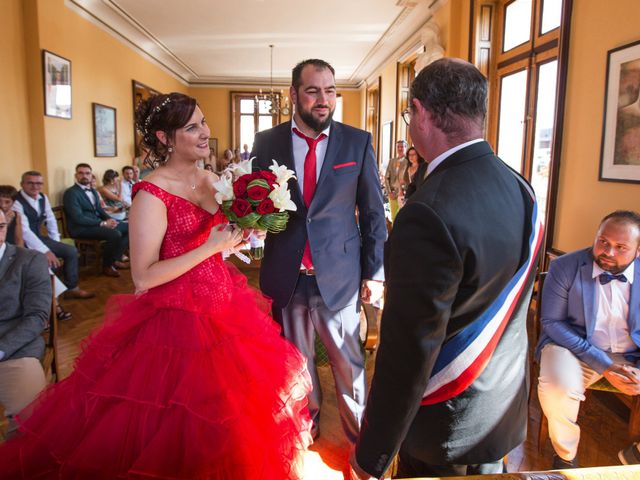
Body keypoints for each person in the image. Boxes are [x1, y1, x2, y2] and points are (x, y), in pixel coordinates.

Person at [0, 92, 312, 479]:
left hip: (226, 310)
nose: (205, 133)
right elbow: (144, 276)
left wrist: (241, 237)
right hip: (175, 322)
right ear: (164, 138)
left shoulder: (214, 179)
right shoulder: (150, 193)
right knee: (173, 430)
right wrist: (212, 246)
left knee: (232, 425)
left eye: (203, 122)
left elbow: (218, 243)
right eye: (192, 127)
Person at [350, 58, 542, 479]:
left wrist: (373, 454)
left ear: (419, 112)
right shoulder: (521, 188)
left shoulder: (428, 212)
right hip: (501, 410)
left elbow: (407, 351)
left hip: (444, 422)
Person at [252, 59, 386, 444]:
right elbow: (260, 208)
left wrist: (374, 272)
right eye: (313, 91)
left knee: (350, 367)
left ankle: (361, 441)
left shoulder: (357, 142)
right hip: (286, 278)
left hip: (340, 278)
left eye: (330, 91)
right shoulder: (267, 142)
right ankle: (305, 427)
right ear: (293, 94)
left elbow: (374, 212)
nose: (323, 100)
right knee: (296, 366)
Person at [535, 210, 640, 469]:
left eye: (621, 247)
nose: (608, 252)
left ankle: (636, 453)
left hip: (632, 353)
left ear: (638, 251)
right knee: (557, 388)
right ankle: (565, 456)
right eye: (603, 241)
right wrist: (603, 364)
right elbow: (551, 322)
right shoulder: (565, 266)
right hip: (575, 346)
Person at [0, 209, 51, 440]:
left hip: (13, 349)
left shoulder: (29, 260)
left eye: (0, 227)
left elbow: (37, 317)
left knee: (31, 417)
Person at [12, 172, 94, 299]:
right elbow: (25, 231)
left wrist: (55, 242)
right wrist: (46, 251)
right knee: (44, 260)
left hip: (39, 237)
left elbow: (51, 220)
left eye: (38, 183)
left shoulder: (43, 197)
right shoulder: (16, 201)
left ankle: (71, 288)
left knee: (71, 251)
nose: (35, 186)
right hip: (21, 242)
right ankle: (50, 296)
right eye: (30, 183)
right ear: (22, 184)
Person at [62, 163, 129, 278]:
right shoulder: (71, 193)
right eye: (81, 173)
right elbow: (78, 218)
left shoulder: (93, 191)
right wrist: (102, 223)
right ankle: (107, 266)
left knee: (129, 227)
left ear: (91, 175)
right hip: (80, 228)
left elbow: (100, 210)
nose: (84, 176)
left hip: (95, 224)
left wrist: (111, 220)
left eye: (87, 173)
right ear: (76, 175)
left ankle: (115, 260)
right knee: (115, 234)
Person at [384, 140, 407, 221]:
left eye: (402, 146)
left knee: (403, 218)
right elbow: (386, 177)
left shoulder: (408, 161)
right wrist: (389, 192)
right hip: (392, 194)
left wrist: (404, 192)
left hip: (404, 194)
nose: (400, 148)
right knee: (394, 218)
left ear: (405, 147)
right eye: (398, 147)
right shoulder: (392, 161)